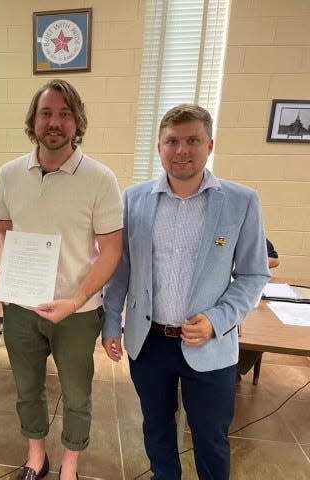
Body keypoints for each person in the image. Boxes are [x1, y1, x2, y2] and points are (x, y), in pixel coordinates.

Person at [102, 104, 271, 479]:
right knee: (156, 429)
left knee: (210, 438)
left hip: (209, 345)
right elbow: (121, 268)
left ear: (209, 145)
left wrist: (216, 320)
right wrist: (111, 321)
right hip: (149, 342)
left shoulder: (241, 202)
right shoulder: (134, 199)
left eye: (192, 140)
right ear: (159, 147)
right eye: (172, 141)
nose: (182, 150)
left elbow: (253, 274)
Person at [0, 79, 123, 480]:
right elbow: (1, 227)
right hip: (21, 307)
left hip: (78, 311)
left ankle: (70, 464)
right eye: (46, 112)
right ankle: (36, 457)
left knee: (78, 393)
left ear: (78, 121)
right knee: (27, 389)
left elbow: (112, 250)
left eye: (65, 113)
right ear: (33, 119)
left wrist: (76, 299)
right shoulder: (10, 173)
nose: (55, 121)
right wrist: (4, 263)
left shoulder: (100, 178)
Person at [236, 238, 279, 382]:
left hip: (249, 288)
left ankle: (238, 368)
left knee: (258, 332)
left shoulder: (256, 236)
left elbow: (275, 260)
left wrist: (254, 264)